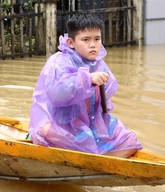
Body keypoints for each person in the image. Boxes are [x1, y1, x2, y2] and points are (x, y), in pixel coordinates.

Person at [28, 14, 142, 158]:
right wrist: (87, 79)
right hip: (64, 122)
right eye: (86, 40)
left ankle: (101, 164)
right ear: (71, 42)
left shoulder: (99, 63)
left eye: (97, 39)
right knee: (46, 132)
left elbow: (106, 97)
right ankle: (96, 160)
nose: (93, 45)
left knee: (131, 141)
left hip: (92, 122)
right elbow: (58, 94)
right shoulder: (59, 61)